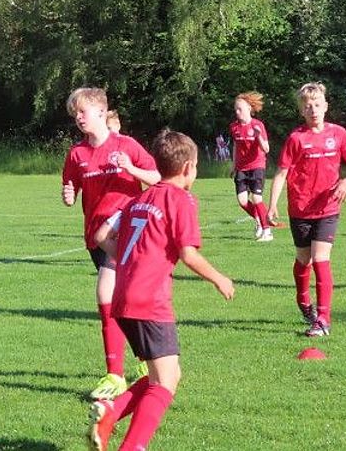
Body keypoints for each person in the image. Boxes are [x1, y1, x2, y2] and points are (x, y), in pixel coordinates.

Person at [88, 129, 234, 451]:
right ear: (188, 168)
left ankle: (111, 413)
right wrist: (219, 278)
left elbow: (101, 236)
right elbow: (188, 254)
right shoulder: (181, 200)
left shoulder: (138, 200)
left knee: (165, 375)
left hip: (122, 299)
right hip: (150, 300)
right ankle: (131, 445)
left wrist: (130, 258)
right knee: (164, 384)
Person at [62, 87, 161, 400]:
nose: (78, 118)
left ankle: (115, 375)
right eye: (75, 114)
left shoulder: (126, 145)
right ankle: (146, 359)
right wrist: (68, 195)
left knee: (106, 293)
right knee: (121, 303)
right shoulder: (77, 154)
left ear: (102, 112)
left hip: (124, 230)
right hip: (95, 235)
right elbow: (71, 188)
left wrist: (131, 169)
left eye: (83, 112)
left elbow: (157, 177)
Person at [267, 82, 346, 337]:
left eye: (317, 105)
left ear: (326, 106)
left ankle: (323, 319)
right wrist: (272, 204)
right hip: (300, 209)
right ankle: (303, 300)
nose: (313, 110)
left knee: (321, 259)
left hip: (328, 208)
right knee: (304, 259)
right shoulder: (296, 138)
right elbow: (281, 173)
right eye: (308, 106)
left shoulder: (339, 134)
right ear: (302, 110)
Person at [230, 91, 273, 241]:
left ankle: (267, 231)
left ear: (249, 108)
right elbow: (235, 146)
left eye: (240, 109)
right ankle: (259, 218)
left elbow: (266, 149)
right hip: (241, 168)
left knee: (256, 198)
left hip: (257, 166)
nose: (237, 112)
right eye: (235, 109)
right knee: (242, 201)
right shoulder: (234, 127)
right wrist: (234, 165)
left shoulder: (257, 125)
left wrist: (258, 135)